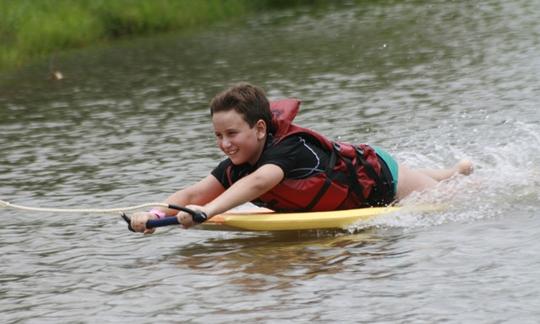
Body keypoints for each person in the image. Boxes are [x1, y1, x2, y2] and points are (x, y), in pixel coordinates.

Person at [131, 83, 473, 233]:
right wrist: (156, 214)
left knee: (456, 200)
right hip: (349, 190)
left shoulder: (290, 149)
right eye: (218, 136)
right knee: (440, 179)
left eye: (232, 134)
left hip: (383, 179)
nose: (225, 144)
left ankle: (457, 175)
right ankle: (449, 170)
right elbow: (192, 195)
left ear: (261, 128)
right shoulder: (234, 168)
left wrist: (207, 212)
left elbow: (261, 182)